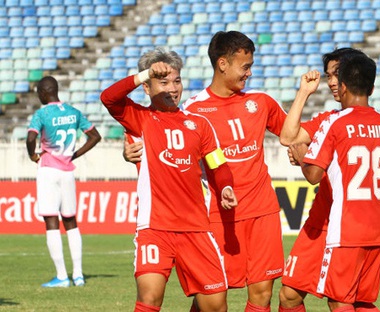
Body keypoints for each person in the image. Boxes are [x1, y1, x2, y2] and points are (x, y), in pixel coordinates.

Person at [124, 31, 287, 311]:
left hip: (262, 209)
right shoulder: (191, 111)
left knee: (262, 292)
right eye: (245, 66)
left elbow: (292, 133)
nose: (249, 73)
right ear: (223, 64)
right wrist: (128, 153)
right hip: (213, 216)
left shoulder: (260, 102)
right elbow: (158, 150)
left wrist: (301, 120)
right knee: (210, 297)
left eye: (177, 81)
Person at [100, 47, 238, 312]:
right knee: (150, 298)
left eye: (177, 81)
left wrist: (226, 187)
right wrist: (144, 74)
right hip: (155, 227)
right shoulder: (139, 118)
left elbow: (218, 164)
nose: (172, 88)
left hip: (196, 228)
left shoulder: (199, 124)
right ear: (147, 88)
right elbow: (109, 98)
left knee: (216, 305)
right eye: (163, 82)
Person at [288, 54, 380, 312]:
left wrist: (301, 157)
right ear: (372, 88)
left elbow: (313, 176)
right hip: (377, 231)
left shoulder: (335, 123)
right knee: (363, 301)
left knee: (339, 299)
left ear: (342, 86)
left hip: (345, 229)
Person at [278, 48, 369, 311]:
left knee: (345, 302)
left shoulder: (365, 122)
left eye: (336, 74)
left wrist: (308, 159)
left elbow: (314, 173)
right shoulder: (328, 120)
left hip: (349, 224)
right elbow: (287, 137)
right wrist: (304, 92)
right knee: (289, 295)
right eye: (328, 75)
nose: (331, 82)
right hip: (320, 221)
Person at [26, 76, 102, 288]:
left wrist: (33, 155)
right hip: (68, 171)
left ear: (43, 93)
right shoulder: (73, 112)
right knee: (71, 221)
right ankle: (78, 275)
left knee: (52, 221)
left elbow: (31, 138)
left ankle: (61, 276)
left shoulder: (42, 114)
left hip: (49, 170)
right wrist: (74, 155)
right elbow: (95, 136)